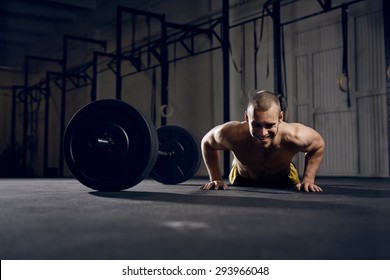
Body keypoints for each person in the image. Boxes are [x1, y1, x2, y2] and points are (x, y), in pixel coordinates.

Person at [200, 90, 324, 192]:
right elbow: (207, 142)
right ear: (247, 118)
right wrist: (215, 178)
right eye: (257, 125)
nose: (263, 133)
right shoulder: (233, 134)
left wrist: (308, 179)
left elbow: (318, 145)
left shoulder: (294, 135)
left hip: (284, 177)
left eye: (269, 125)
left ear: (280, 117)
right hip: (242, 177)